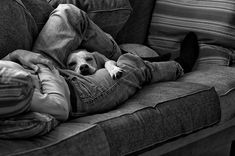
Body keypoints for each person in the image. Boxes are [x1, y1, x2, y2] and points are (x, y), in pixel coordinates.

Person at [2, 4, 199, 121]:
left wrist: (15, 54)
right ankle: (180, 65)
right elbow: (58, 108)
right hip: (69, 91)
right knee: (130, 66)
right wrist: (45, 70)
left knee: (69, 13)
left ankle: (118, 54)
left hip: (40, 67)